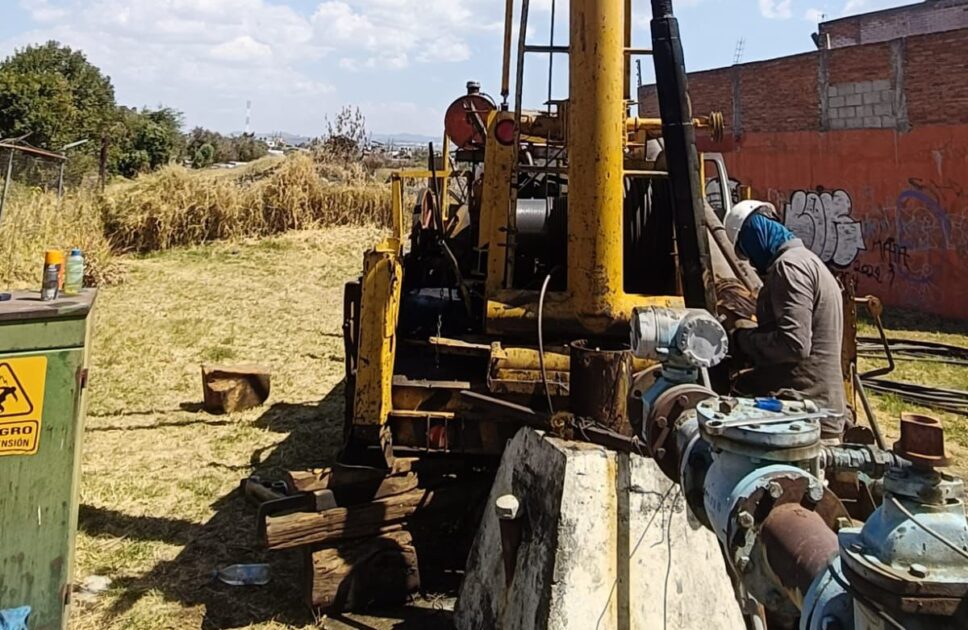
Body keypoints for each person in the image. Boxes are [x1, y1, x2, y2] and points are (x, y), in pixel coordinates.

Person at [723, 201, 848, 440]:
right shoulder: (811, 262)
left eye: (746, 251)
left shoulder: (789, 267)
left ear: (754, 235)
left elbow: (794, 344)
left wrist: (742, 340)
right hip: (816, 411)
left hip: (801, 416)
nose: (750, 261)